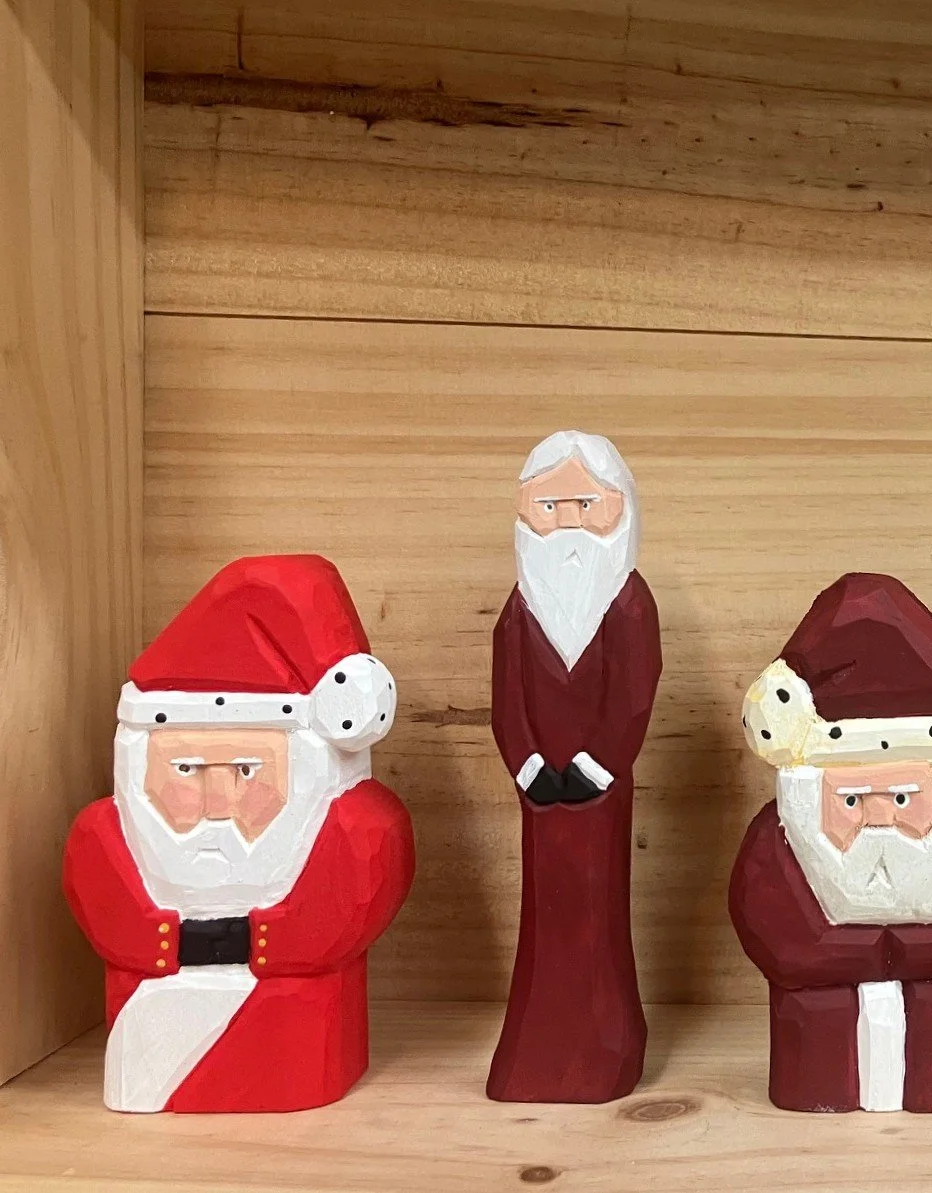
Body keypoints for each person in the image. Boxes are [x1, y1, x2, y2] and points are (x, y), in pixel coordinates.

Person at [63, 555, 414, 1112]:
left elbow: (329, 928)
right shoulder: (103, 837)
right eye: (186, 769)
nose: (218, 804)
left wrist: (264, 943)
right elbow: (115, 923)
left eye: (248, 771)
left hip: (289, 1034)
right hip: (148, 1035)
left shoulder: (356, 831)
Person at [729, 572, 932, 1113]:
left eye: (901, 797)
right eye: (850, 799)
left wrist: (890, 950)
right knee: (818, 1048)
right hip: (817, 1017)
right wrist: (881, 950)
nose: (876, 817)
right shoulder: (774, 840)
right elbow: (773, 932)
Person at [487, 431, 661, 1104]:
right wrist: (528, 765)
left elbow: (633, 696)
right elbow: (508, 701)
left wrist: (598, 765)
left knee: (596, 915)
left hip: (600, 790)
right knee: (546, 918)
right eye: (549, 505)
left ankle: (602, 1046)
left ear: (620, 508)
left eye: (586, 505)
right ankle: (537, 1050)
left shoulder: (629, 604)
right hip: (540, 793)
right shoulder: (518, 611)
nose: (567, 521)